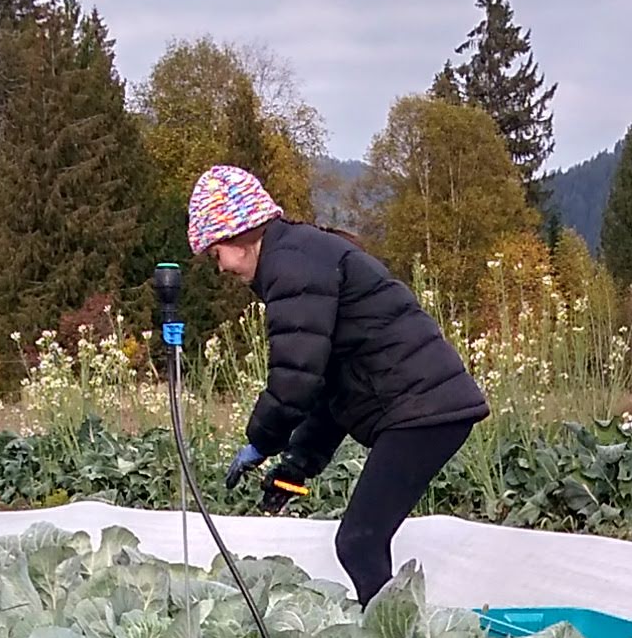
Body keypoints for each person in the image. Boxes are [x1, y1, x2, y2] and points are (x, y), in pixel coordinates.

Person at [188, 164, 488, 604]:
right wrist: (296, 466)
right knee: (362, 541)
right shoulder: (301, 256)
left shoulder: (292, 266)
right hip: (424, 408)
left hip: (423, 409)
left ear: (238, 233)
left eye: (215, 253)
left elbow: (294, 379)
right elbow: (330, 389)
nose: (219, 267)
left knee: (359, 542)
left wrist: (260, 440)